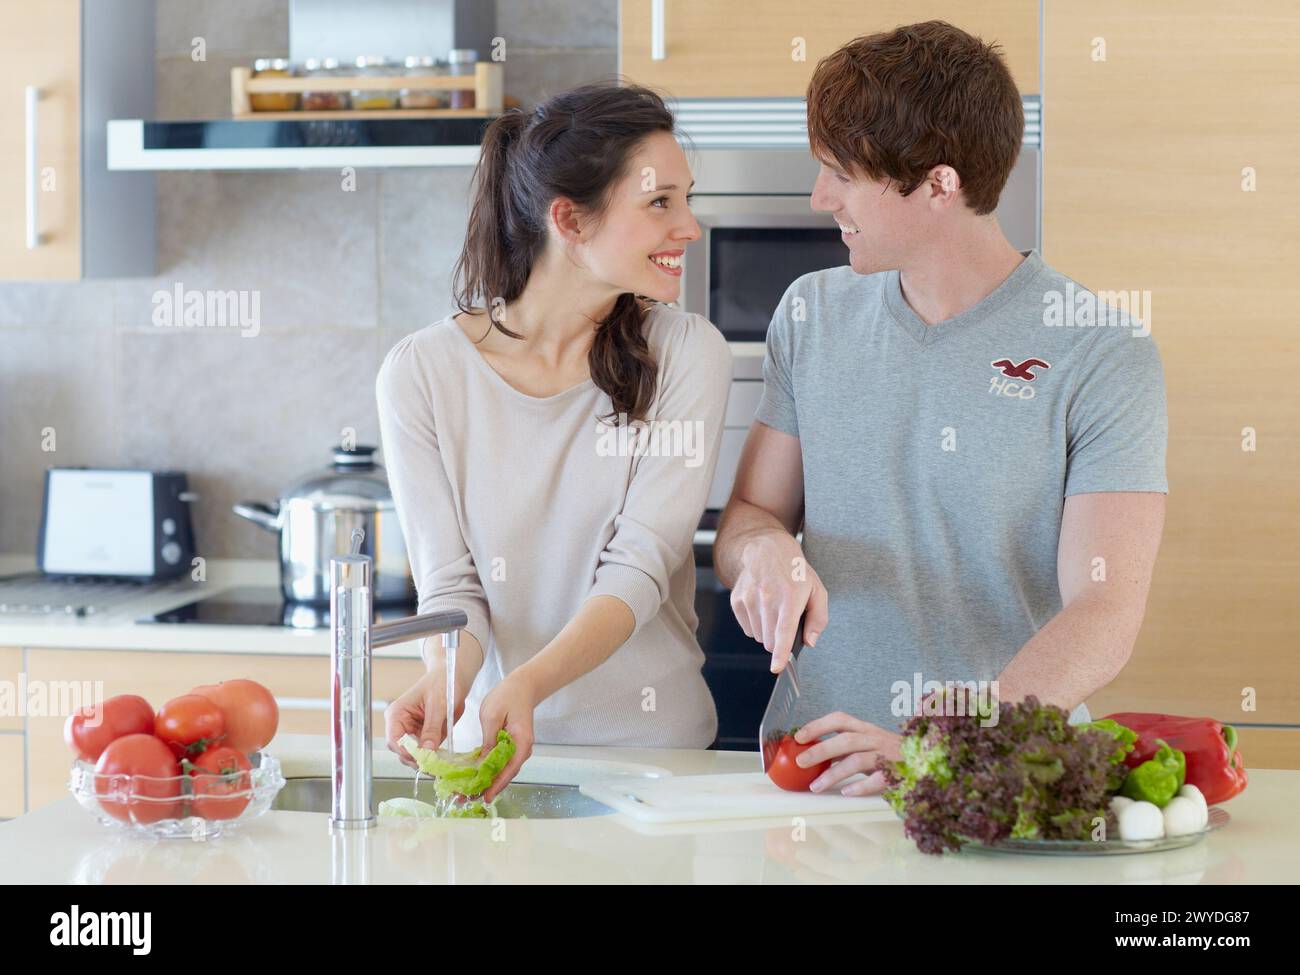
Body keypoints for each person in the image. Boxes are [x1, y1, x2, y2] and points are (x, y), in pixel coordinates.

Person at [714, 21, 1168, 796]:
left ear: (937, 184)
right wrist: (761, 552)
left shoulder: (1101, 349)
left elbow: (1105, 608)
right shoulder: (811, 314)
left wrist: (942, 750)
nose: (820, 197)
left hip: (997, 783)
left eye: (841, 174)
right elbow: (754, 510)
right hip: (813, 772)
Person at [376, 83, 730, 801]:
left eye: (686, 199)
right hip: (498, 763)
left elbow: (639, 567)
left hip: (655, 769)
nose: (689, 226)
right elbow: (454, 588)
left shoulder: (688, 353)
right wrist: (447, 678)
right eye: (660, 202)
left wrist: (529, 682)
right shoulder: (422, 372)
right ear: (569, 219)